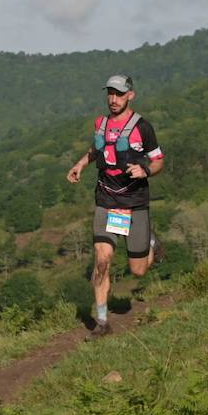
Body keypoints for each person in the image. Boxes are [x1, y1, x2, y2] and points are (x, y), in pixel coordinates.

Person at [66, 74, 164, 333]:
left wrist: (146, 171)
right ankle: (101, 321)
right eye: (110, 93)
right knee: (102, 259)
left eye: (119, 94)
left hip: (135, 202)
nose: (113, 99)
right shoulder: (101, 125)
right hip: (107, 199)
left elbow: (158, 161)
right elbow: (96, 149)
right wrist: (80, 165)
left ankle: (151, 242)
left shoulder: (143, 127)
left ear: (130, 95)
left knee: (139, 270)